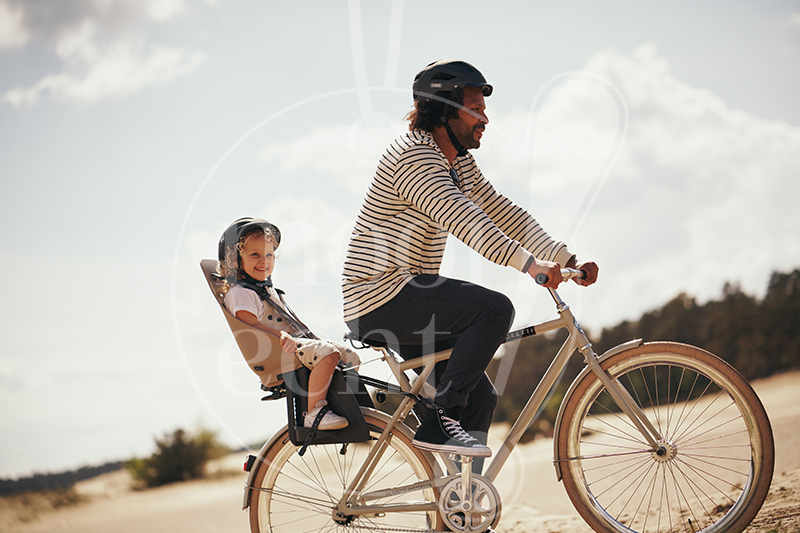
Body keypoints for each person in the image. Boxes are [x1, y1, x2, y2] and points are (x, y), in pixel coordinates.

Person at [341, 60, 598, 460]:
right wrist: (531, 267)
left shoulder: (455, 160)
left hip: (407, 296)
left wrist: (563, 256)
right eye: (475, 108)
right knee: (494, 310)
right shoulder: (415, 158)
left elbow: (499, 210)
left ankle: (464, 505)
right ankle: (439, 418)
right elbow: (468, 222)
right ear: (444, 109)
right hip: (380, 298)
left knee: (479, 398)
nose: (485, 119)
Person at [218, 217, 360, 430]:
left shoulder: (265, 291)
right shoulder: (241, 294)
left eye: (269, 255)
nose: (264, 261)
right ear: (234, 260)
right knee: (328, 353)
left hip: (291, 344)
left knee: (350, 355)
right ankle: (315, 412)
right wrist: (282, 336)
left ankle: (345, 404)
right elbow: (250, 329)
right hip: (278, 351)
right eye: (254, 255)